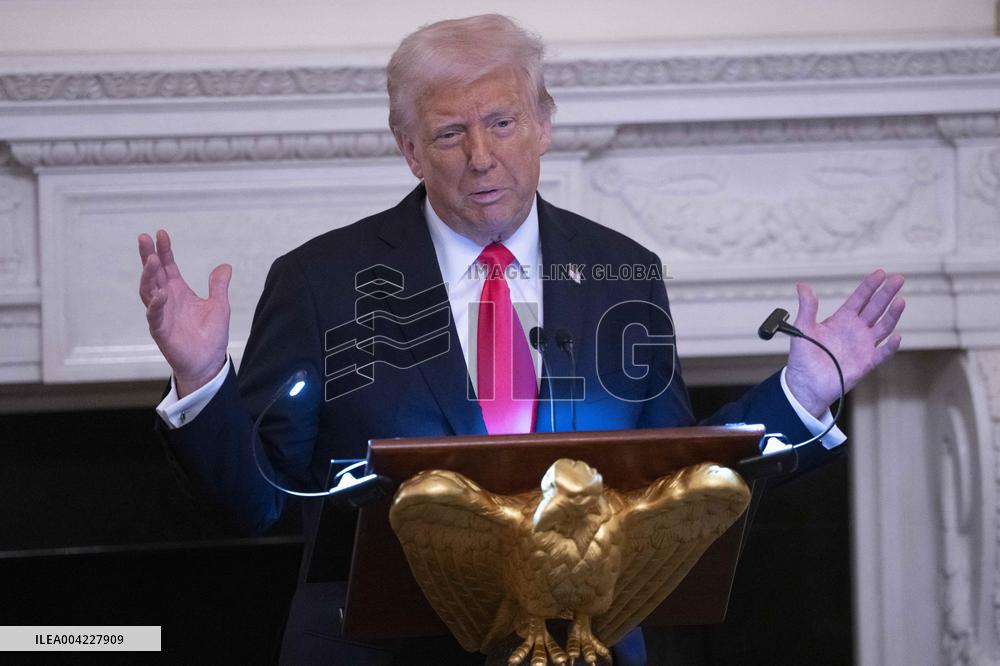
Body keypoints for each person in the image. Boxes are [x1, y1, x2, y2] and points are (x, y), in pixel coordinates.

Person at [137, 14, 905, 666]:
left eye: (502, 123)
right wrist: (202, 379)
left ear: (543, 125)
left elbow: (669, 474)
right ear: (409, 148)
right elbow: (258, 501)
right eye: (450, 132)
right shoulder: (320, 282)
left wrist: (799, 394)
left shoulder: (621, 273)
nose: (481, 156)